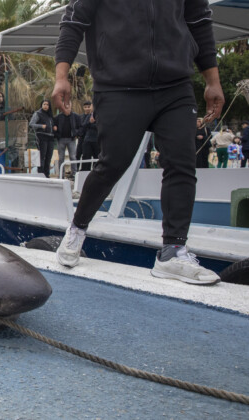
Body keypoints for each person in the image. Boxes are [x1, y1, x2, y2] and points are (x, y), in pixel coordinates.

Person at [53, 0, 225, 285]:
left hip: (175, 84)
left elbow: (199, 22)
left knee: (182, 163)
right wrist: (62, 77)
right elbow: (74, 21)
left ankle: (173, 250)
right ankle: (77, 229)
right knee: (113, 164)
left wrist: (212, 80)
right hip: (119, 85)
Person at [28, 99, 55, 177]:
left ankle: (47, 174)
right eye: (44, 104)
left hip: (50, 137)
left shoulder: (50, 115)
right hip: (41, 136)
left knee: (49, 156)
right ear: (41, 105)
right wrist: (41, 126)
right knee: (42, 156)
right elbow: (31, 124)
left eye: (47, 104)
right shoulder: (38, 114)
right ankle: (41, 173)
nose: (46, 106)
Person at [52, 102, 80, 177]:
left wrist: (76, 134)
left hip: (71, 140)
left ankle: (74, 174)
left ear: (71, 107)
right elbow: (54, 128)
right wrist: (57, 135)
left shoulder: (76, 116)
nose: (67, 109)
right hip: (61, 140)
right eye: (65, 107)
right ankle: (61, 174)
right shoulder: (57, 117)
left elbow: (80, 127)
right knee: (61, 158)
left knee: (73, 157)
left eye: (68, 107)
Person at [77, 101, 99, 172]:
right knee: (86, 157)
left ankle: (95, 172)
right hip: (87, 140)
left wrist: (92, 125)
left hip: (96, 140)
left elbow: (101, 126)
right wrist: (90, 122)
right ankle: (84, 172)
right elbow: (83, 126)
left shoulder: (100, 115)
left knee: (97, 158)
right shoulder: (89, 116)